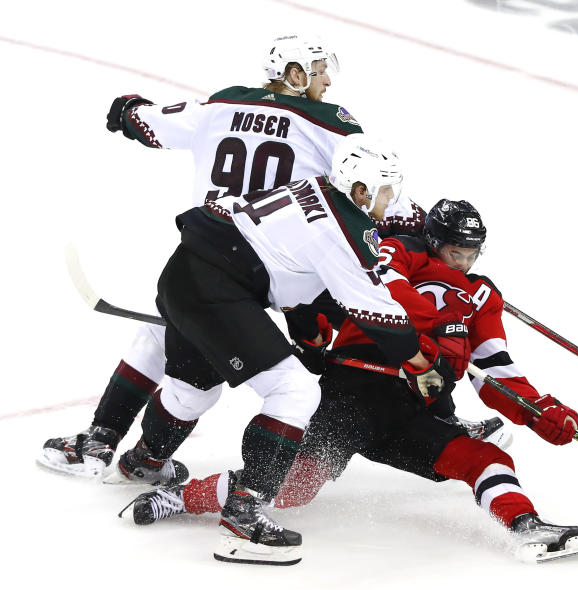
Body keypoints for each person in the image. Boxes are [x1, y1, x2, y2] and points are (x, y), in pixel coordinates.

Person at [126, 199, 578, 563]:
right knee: (292, 489)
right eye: (456, 251)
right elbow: (378, 291)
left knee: (485, 459)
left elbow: (494, 365)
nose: (464, 263)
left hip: (414, 413)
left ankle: (527, 526)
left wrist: (538, 411)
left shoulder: (482, 295)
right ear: (434, 242)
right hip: (352, 394)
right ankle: (180, 497)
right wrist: (421, 330)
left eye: (472, 253)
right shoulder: (401, 253)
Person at [38, 34, 422, 481]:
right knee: (366, 328)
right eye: (319, 71)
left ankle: (101, 441)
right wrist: (424, 226)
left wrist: (129, 108)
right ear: (296, 74)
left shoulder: (221, 106)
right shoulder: (329, 124)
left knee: (161, 338)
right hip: (279, 260)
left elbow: (138, 122)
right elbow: (375, 189)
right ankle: (154, 462)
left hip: (209, 245)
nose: (328, 80)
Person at [121, 134, 455, 565]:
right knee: (296, 392)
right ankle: (243, 518)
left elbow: (294, 280)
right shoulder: (343, 232)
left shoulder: (316, 189)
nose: (391, 201)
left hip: (185, 273)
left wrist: (309, 337)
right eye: (386, 191)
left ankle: (144, 461)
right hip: (218, 292)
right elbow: (377, 312)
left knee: (193, 389)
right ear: (360, 191)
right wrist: (420, 363)